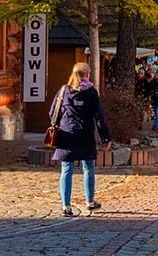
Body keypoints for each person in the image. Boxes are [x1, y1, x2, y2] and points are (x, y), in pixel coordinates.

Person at [50, 62, 111, 216]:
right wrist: (106, 138)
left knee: (66, 170)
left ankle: (66, 205)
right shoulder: (91, 92)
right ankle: (89, 201)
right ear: (87, 75)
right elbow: (99, 117)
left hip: (66, 134)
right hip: (85, 135)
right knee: (88, 168)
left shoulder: (64, 90)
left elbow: (52, 112)